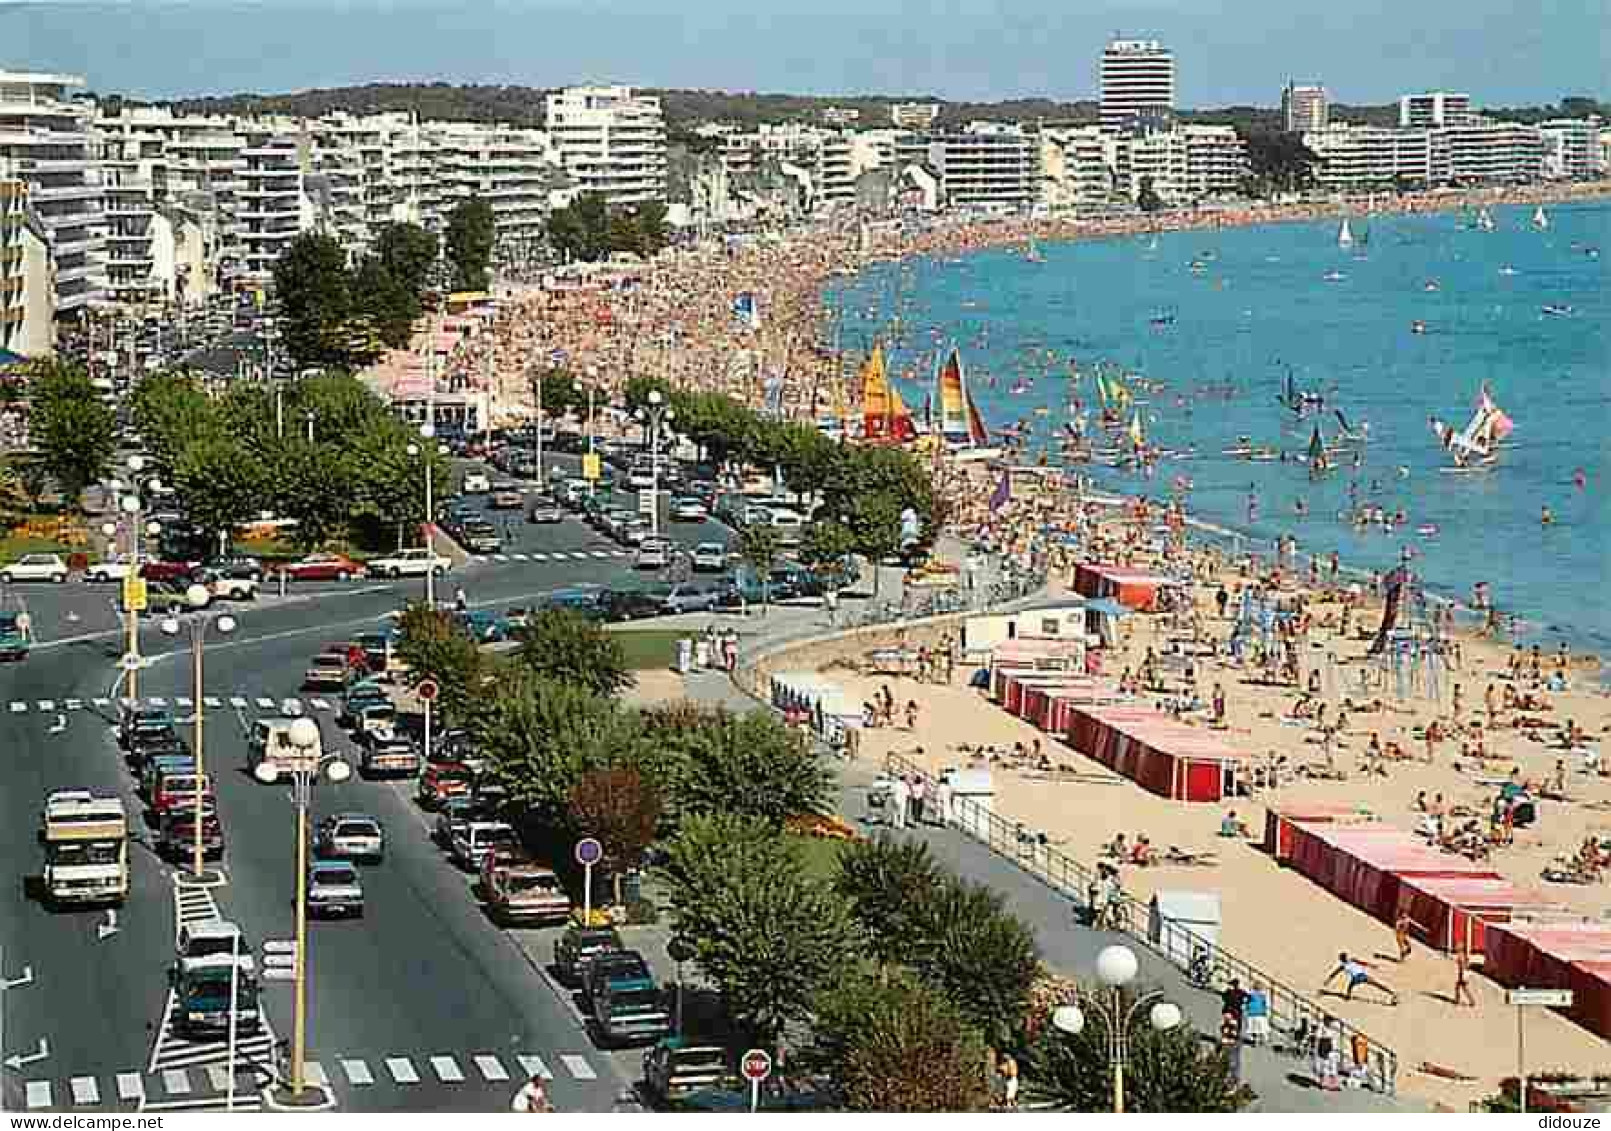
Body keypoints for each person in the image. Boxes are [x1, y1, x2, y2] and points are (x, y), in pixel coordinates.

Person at [1322, 952, 1398, 1005]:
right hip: (1361, 976)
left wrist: (1328, 981)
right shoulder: (1351, 961)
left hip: (1356, 978)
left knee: (1350, 987)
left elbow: (1334, 973)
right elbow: (1362, 963)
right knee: (1376, 984)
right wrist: (1371, 965)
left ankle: (1347, 996)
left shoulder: (1344, 965)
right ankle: (1391, 992)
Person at [1453, 943, 1476, 1007]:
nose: (1455, 948)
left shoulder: (1461, 956)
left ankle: (1458, 1000)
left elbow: (1462, 966)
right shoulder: (1462, 955)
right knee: (1460, 988)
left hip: (1463, 974)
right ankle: (1459, 1000)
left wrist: (1461, 975)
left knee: (1462, 988)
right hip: (1464, 974)